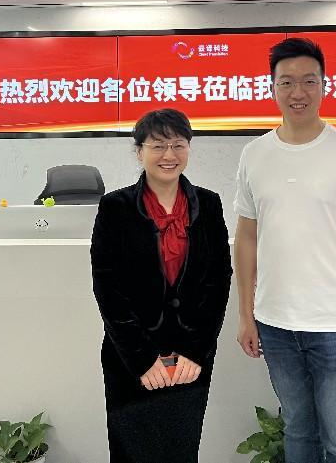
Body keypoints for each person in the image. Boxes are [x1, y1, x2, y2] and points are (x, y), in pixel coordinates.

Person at [234, 37, 336, 463]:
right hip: (275, 324)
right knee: (297, 431)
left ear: (324, 85)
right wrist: (246, 314)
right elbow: (246, 238)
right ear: (272, 87)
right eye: (286, 82)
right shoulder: (254, 154)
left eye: (308, 81)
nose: (297, 92)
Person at [90, 108, 232, 463]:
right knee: (132, 452)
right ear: (139, 152)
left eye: (178, 144)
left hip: (190, 359)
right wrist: (142, 360)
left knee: (180, 450)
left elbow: (218, 281)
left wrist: (195, 352)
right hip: (131, 357)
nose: (169, 155)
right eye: (158, 146)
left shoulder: (209, 204)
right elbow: (107, 287)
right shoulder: (115, 207)